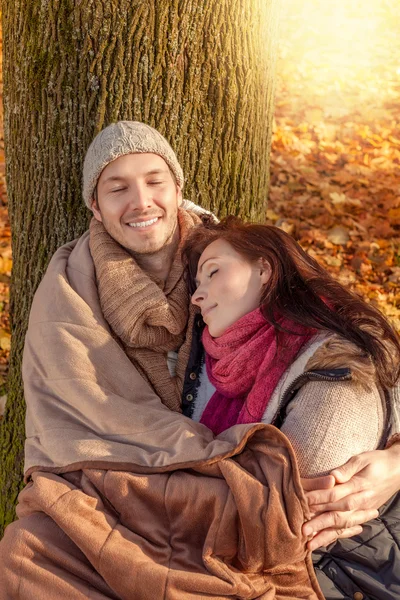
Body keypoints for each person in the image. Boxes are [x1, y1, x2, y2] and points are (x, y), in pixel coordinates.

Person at [0, 121, 398, 599]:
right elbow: (71, 400)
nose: (141, 201)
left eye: (154, 181)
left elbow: (356, 346)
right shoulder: (73, 286)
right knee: (28, 552)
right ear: (96, 207)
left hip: (247, 507)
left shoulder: (233, 257)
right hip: (140, 482)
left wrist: (397, 460)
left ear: (177, 188)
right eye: (117, 188)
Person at [181, 215, 400, 598]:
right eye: (197, 284)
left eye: (212, 273)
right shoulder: (213, 365)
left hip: (333, 573)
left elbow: (292, 511)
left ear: (265, 268)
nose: (197, 296)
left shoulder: (337, 363)